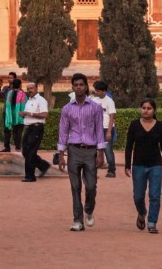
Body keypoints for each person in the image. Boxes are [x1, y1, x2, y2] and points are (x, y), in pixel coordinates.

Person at [55, 72, 107, 231]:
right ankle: (77, 220)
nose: (79, 87)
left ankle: (89, 210)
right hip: (74, 150)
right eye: (76, 85)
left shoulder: (95, 108)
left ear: (86, 87)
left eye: (81, 85)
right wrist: (61, 154)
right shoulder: (67, 109)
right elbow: (63, 131)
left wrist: (100, 152)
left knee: (91, 186)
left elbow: (99, 130)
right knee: (75, 186)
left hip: (90, 150)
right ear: (72, 87)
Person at [124, 99, 162, 234]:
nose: (146, 111)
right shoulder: (134, 125)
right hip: (138, 165)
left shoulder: (160, 127)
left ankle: (152, 222)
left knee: (155, 195)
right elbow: (129, 146)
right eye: (144, 108)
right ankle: (142, 213)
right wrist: (127, 164)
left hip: (155, 165)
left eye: (149, 108)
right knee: (138, 196)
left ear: (154, 111)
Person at [20, 80, 51, 181]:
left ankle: (30, 176)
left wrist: (30, 114)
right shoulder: (29, 100)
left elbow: (45, 114)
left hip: (36, 128)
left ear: (36, 89)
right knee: (25, 151)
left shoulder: (41, 100)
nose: (30, 90)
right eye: (28, 89)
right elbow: (29, 113)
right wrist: (24, 114)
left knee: (30, 152)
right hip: (29, 127)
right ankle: (43, 165)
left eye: (31, 88)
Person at [92, 80, 118, 177]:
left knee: (108, 151)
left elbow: (112, 117)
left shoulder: (109, 101)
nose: (96, 92)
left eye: (98, 91)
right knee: (94, 150)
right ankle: (93, 170)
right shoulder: (94, 100)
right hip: (96, 129)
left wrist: (109, 132)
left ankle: (111, 170)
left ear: (104, 91)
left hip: (107, 128)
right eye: (95, 90)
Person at [0, 74, 23, 151]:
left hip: (9, 114)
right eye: (9, 78)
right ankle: (14, 147)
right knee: (13, 131)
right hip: (13, 114)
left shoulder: (11, 92)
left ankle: (11, 147)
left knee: (12, 130)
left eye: (11, 78)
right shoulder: (7, 89)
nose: (10, 79)